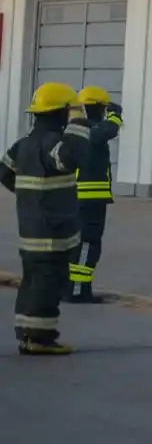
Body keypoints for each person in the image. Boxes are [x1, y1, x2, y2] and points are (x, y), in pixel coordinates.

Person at [2, 82, 95, 354]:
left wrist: (28, 196)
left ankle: (27, 334)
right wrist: (80, 121)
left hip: (30, 228)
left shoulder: (24, 144)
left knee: (32, 281)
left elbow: (4, 172)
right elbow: (72, 156)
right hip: (52, 231)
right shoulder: (54, 144)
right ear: (62, 113)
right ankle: (39, 339)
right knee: (47, 284)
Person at [67, 86, 123, 304]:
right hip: (88, 200)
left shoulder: (74, 127)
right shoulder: (87, 128)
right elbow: (104, 132)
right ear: (98, 108)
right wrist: (116, 117)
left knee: (80, 244)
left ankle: (72, 287)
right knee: (87, 244)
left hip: (82, 199)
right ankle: (78, 291)